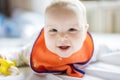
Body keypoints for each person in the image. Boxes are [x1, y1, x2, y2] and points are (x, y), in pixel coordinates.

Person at [30, 0, 94, 79]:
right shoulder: (36, 49)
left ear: (85, 31)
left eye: (72, 29)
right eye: (53, 30)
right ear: (45, 31)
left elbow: (103, 49)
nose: (62, 37)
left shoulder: (89, 48)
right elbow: (17, 55)